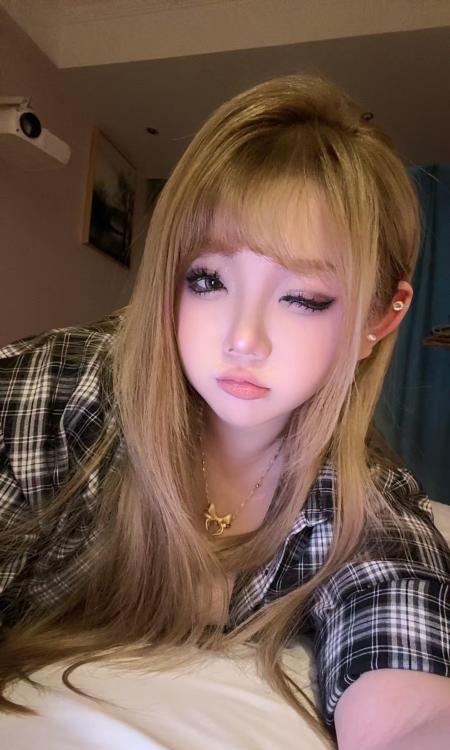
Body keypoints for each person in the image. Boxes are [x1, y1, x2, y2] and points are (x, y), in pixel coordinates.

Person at [0, 74, 449, 750]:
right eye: (207, 280)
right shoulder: (58, 395)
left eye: (303, 297)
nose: (243, 338)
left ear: (379, 320)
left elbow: (406, 699)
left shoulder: (363, 505)